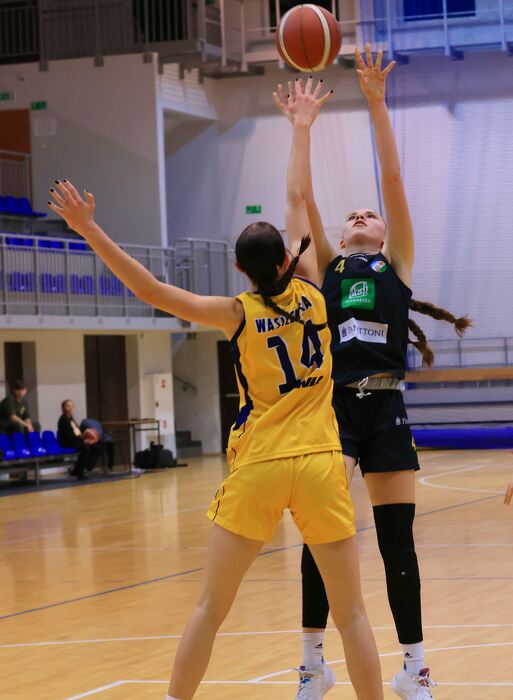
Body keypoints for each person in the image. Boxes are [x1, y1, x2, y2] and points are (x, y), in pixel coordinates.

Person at [48, 179, 384, 699]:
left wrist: (89, 229)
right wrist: (300, 141)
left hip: (260, 465)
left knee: (210, 608)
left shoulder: (237, 312)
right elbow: (298, 198)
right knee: (352, 614)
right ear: (287, 260)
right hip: (320, 463)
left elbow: (150, 291)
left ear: (239, 269)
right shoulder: (317, 294)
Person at [272, 47, 469, 700]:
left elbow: (392, 175)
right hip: (332, 412)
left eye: (369, 215)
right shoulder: (324, 266)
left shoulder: (397, 264)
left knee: (396, 545)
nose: (360, 215)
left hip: (386, 409)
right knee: (320, 537)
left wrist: (378, 103)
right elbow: (298, 198)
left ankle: (414, 667)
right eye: (351, 214)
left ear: (383, 234)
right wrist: (301, 127)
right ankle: (312, 664)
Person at [58, 399, 102, 480]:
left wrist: (87, 437)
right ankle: (79, 472)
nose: (70, 408)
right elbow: (69, 436)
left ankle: (85, 468)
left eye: (72, 406)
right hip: (68, 442)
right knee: (85, 448)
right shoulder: (63, 420)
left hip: (76, 440)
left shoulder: (71, 419)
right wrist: (83, 440)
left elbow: (77, 432)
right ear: (63, 408)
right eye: (68, 406)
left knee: (97, 447)